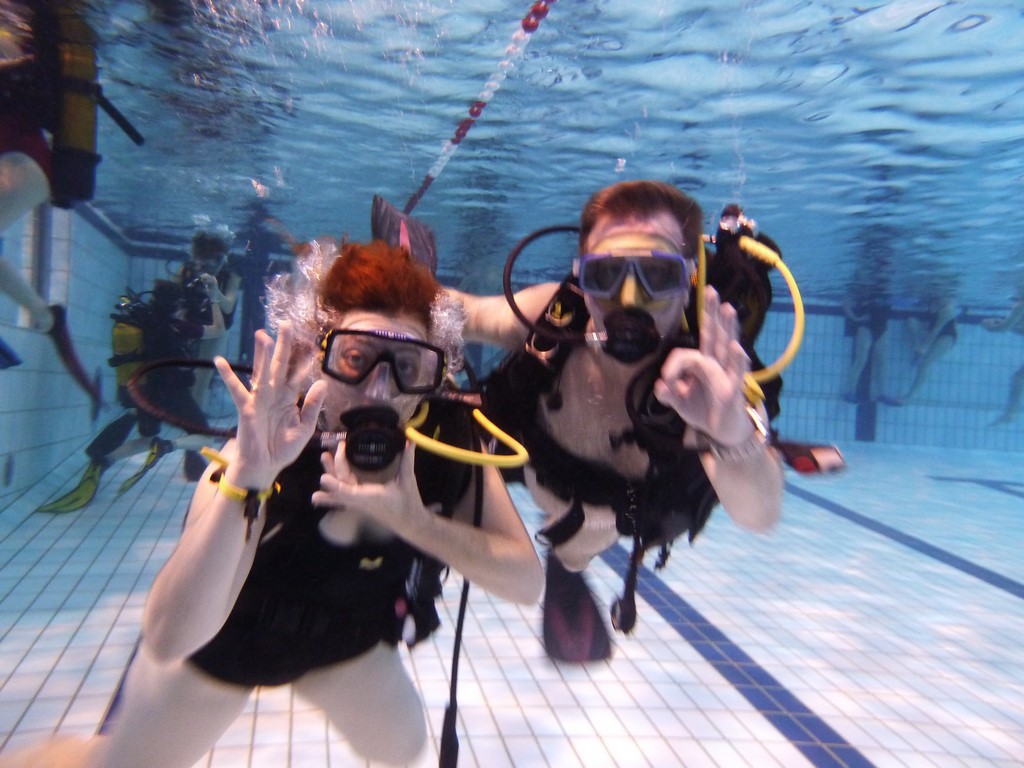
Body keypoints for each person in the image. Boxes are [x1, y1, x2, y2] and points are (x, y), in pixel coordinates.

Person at [2, 238, 543, 768]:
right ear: (318, 353)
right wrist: (250, 474)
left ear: (436, 375)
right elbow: (171, 640)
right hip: (225, 649)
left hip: (349, 640)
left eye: (409, 365)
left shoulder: (447, 440)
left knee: (402, 749)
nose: (380, 390)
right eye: (356, 358)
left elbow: (525, 583)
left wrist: (416, 522)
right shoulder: (268, 437)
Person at [448, 180, 783, 661]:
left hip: (647, 504)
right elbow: (463, 312)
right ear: (580, 278)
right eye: (605, 274)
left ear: (689, 279)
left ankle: (570, 560)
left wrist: (730, 433)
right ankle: (569, 557)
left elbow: (759, 515)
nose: (628, 299)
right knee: (573, 538)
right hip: (547, 472)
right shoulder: (554, 318)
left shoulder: (712, 370)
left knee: (583, 539)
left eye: (657, 276)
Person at [34, 277, 224, 513]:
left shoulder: (141, 319)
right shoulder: (176, 326)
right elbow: (218, 329)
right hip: (172, 392)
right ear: (176, 304)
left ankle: (105, 461)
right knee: (206, 438)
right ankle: (166, 446)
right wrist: (214, 297)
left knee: (146, 438)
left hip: (144, 391)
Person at [183, 228, 243, 408]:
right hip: (193, 323)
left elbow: (228, 306)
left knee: (202, 377)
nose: (205, 265)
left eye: (211, 259)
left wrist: (214, 291)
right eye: (200, 259)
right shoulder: (189, 269)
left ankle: (194, 418)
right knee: (184, 373)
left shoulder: (231, 273)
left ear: (221, 257)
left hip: (218, 327)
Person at [880, 293, 958, 406]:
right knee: (911, 322)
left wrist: (923, 348)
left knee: (926, 363)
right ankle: (918, 353)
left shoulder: (947, 309)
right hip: (931, 329)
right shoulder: (933, 299)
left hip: (947, 336)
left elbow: (935, 331)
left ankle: (907, 397)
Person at [982, 285, 1024, 426]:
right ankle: (1011, 413)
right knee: (1018, 378)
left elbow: (1002, 329)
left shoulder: (1020, 306)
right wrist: (1002, 324)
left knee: (1019, 379)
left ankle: (1011, 413)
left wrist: (989, 326)